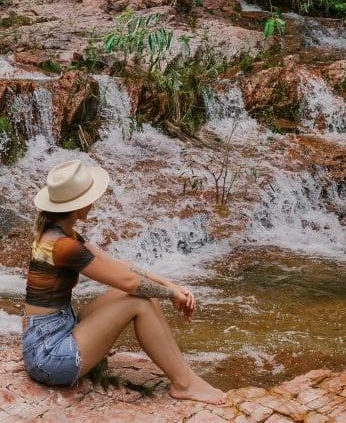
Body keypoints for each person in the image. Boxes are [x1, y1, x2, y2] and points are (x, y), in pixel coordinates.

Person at [22, 159, 227, 405]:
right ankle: (184, 384)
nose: (94, 201)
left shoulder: (61, 233)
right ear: (79, 205)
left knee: (141, 295)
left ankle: (187, 379)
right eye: (90, 196)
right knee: (137, 301)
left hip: (56, 331)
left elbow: (123, 267)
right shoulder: (64, 246)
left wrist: (172, 286)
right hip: (50, 356)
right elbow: (130, 283)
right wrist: (171, 296)